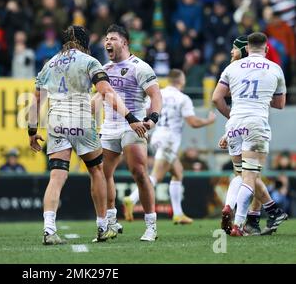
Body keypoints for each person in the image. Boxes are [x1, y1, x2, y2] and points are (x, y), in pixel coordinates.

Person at [28, 25, 148, 245]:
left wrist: (32, 131)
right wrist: (130, 118)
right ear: (84, 41)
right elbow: (106, 92)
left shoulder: (49, 64)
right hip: (81, 119)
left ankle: (49, 229)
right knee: (97, 171)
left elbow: (36, 101)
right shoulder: (89, 61)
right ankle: (103, 226)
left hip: (56, 121)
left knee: (56, 177)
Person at [212, 32, 288, 236]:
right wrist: (263, 98)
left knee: (241, 174)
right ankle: (238, 223)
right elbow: (281, 104)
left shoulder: (232, 67)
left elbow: (216, 98)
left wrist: (232, 116)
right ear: (267, 49)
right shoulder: (275, 68)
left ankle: (264, 211)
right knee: (249, 176)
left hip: (234, 125)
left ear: (246, 48)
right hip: (256, 124)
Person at [92, 24, 162, 241]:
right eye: (106, 38)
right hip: (109, 128)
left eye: (112, 38)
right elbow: (99, 97)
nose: (107, 42)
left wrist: (152, 119)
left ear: (124, 42)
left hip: (134, 125)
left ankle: (151, 225)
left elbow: (156, 96)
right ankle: (111, 222)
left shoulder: (139, 67)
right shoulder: (104, 69)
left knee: (139, 172)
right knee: (102, 174)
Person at [124, 69, 215, 225]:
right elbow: (193, 122)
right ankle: (131, 199)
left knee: (178, 172)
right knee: (156, 176)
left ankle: (178, 214)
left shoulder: (158, 94)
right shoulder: (183, 98)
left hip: (157, 136)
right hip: (169, 140)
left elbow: (145, 111)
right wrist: (209, 121)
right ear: (181, 80)